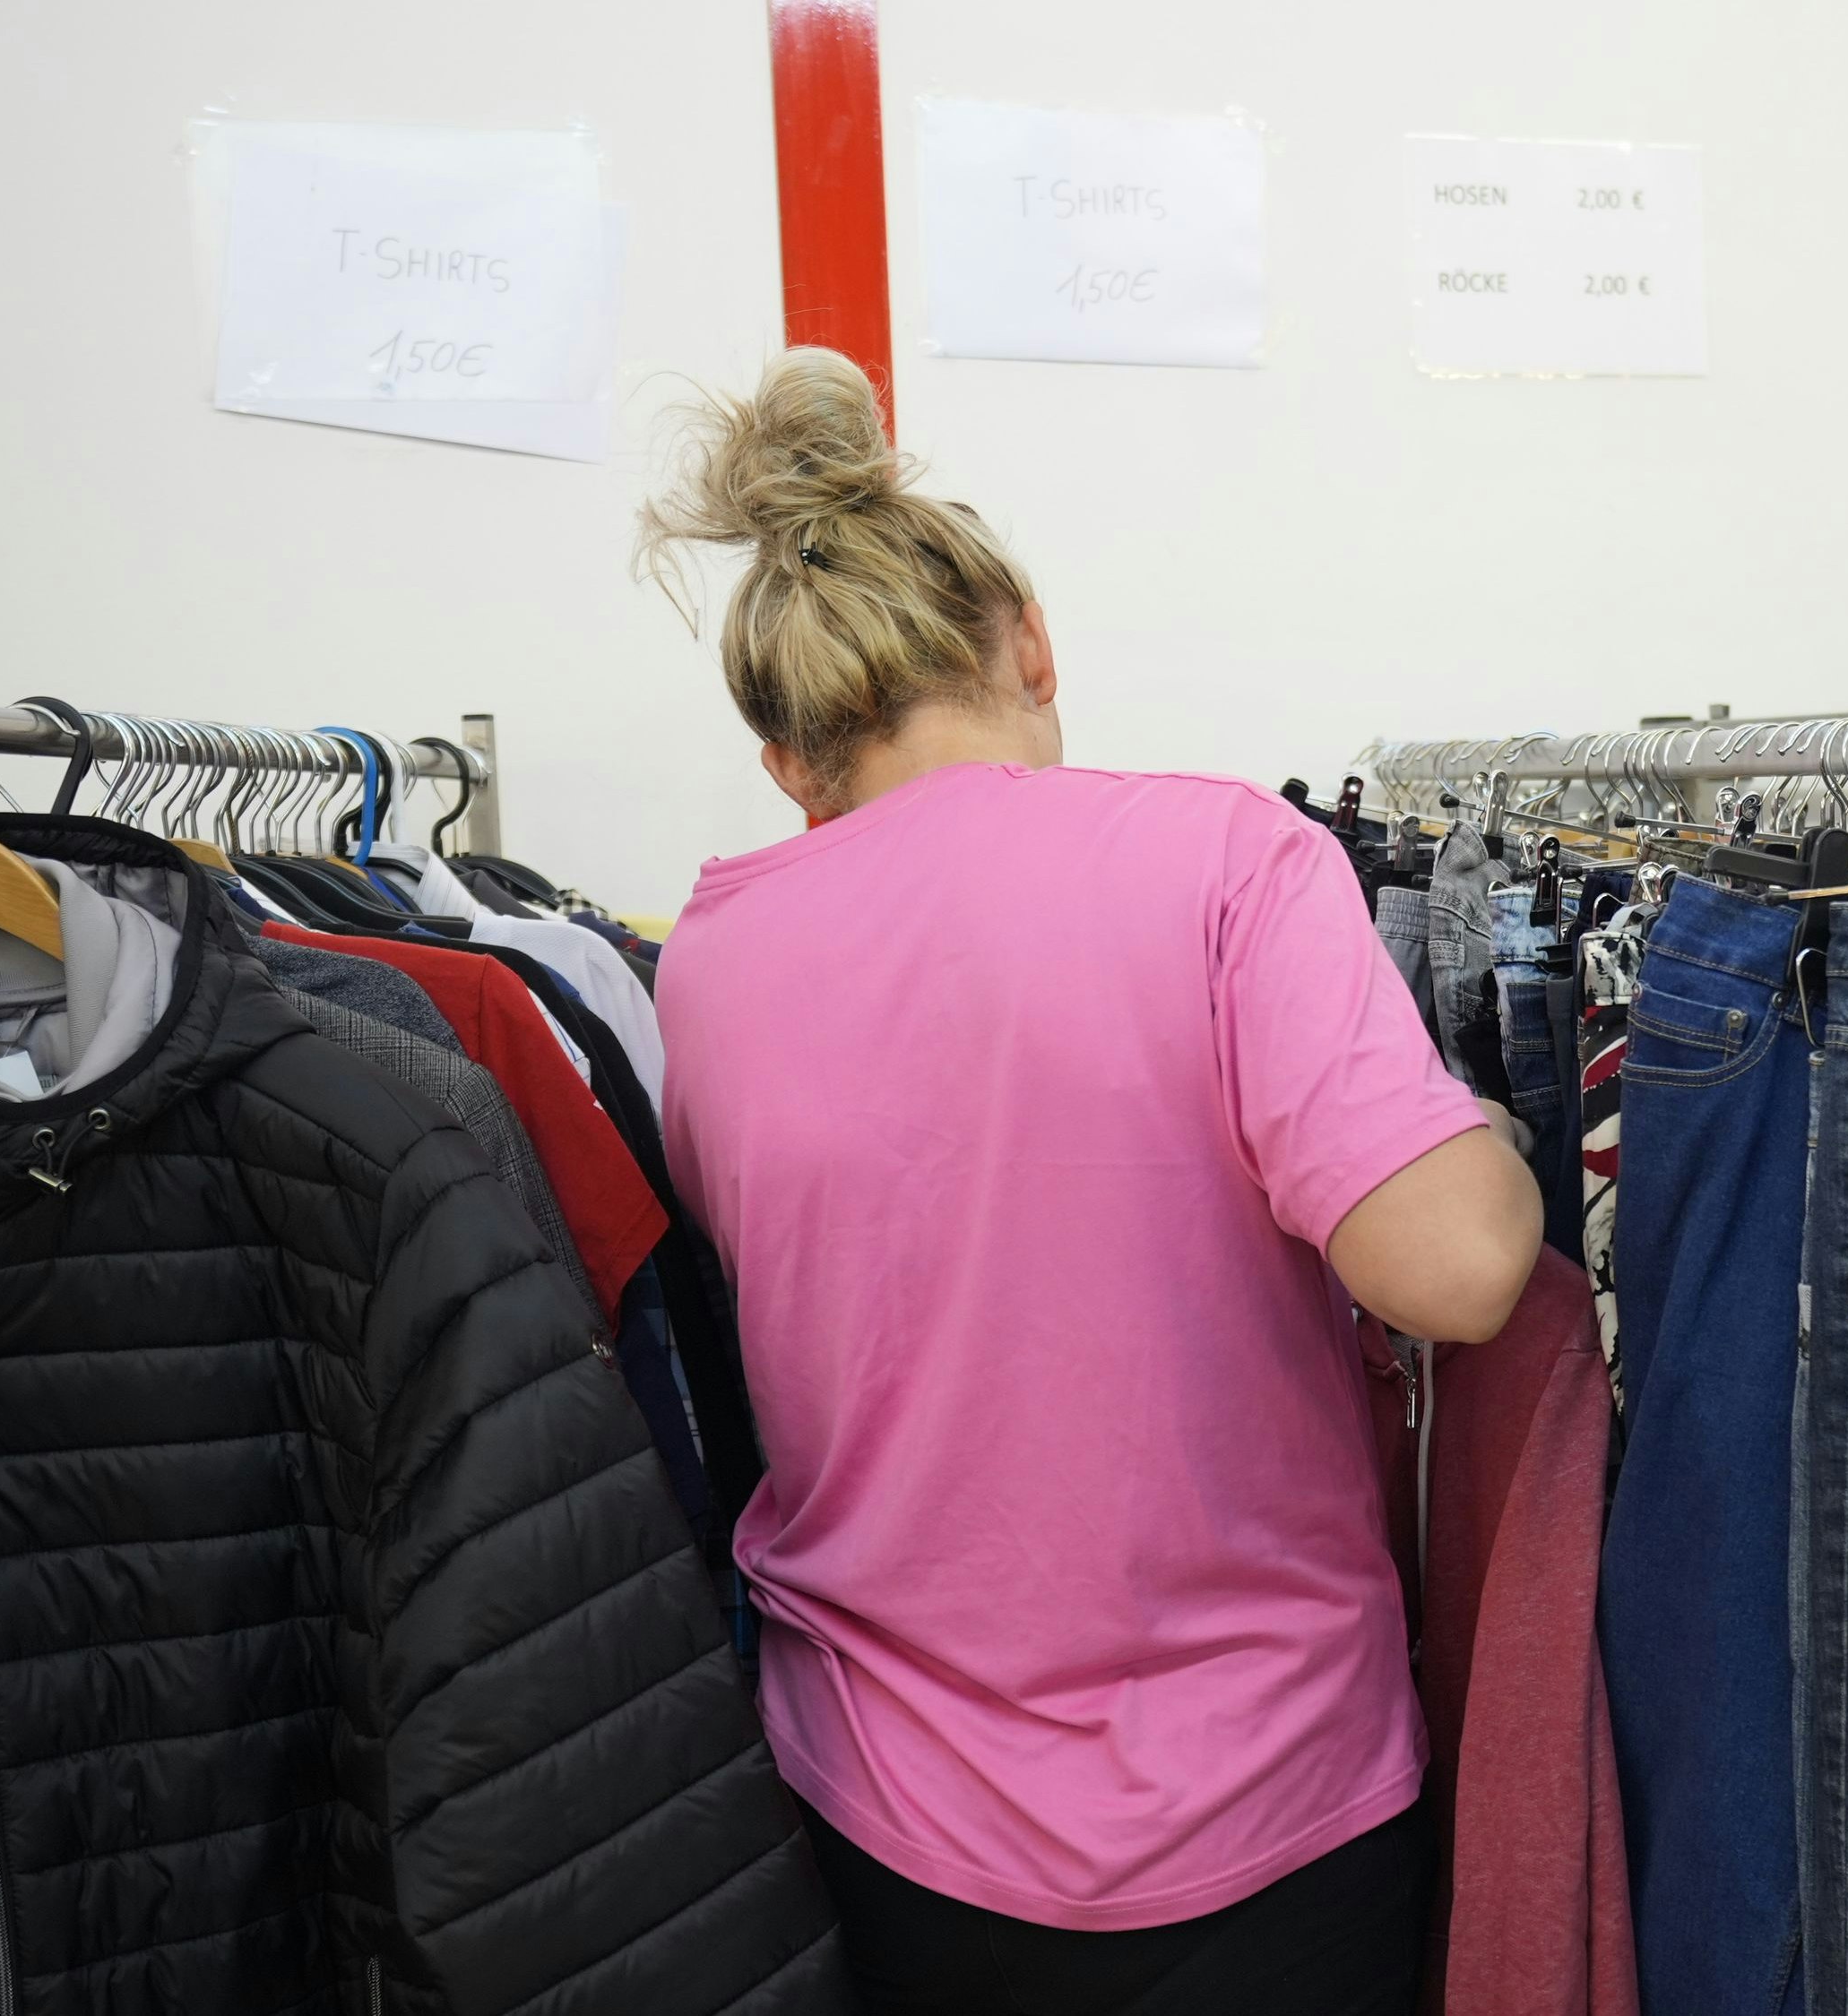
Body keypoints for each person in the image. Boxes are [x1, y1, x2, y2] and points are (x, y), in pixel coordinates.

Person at [641, 346, 1542, 2015]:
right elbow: (1458, 1270)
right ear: (1035, 643)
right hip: (1263, 1807)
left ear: (788, 761)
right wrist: (1491, 1134)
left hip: (883, 1812)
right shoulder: (1224, 859)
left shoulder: (705, 957)